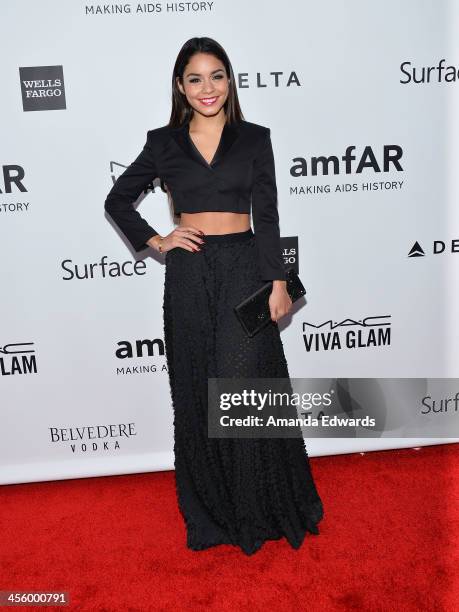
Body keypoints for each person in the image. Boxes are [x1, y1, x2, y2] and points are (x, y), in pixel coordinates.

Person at [104, 36, 324, 555]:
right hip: (188, 273)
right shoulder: (164, 142)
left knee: (241, 389)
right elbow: (117, 199)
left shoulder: (254, 138)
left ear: (231, 80)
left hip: (245, 268)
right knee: (198, 389)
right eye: (196, 78)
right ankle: (215, 512)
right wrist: (157, 239)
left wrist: (276, 282)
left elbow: (267, 217)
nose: (208, 88)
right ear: (181, 86)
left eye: (217, 75)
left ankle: (262, 507)